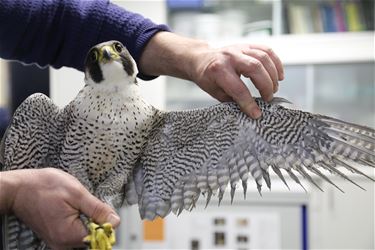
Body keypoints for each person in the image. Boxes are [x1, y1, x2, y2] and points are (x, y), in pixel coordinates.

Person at [0, 0, 284, 248]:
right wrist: (13, 192)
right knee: (34, 106)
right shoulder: (46, 116)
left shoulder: (147, 120)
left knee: (261, 114)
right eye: (98, 56)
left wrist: (196, 56)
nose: (109, 56)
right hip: (30, 223)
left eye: (116, 49)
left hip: (93, 220)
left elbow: (60, 19)